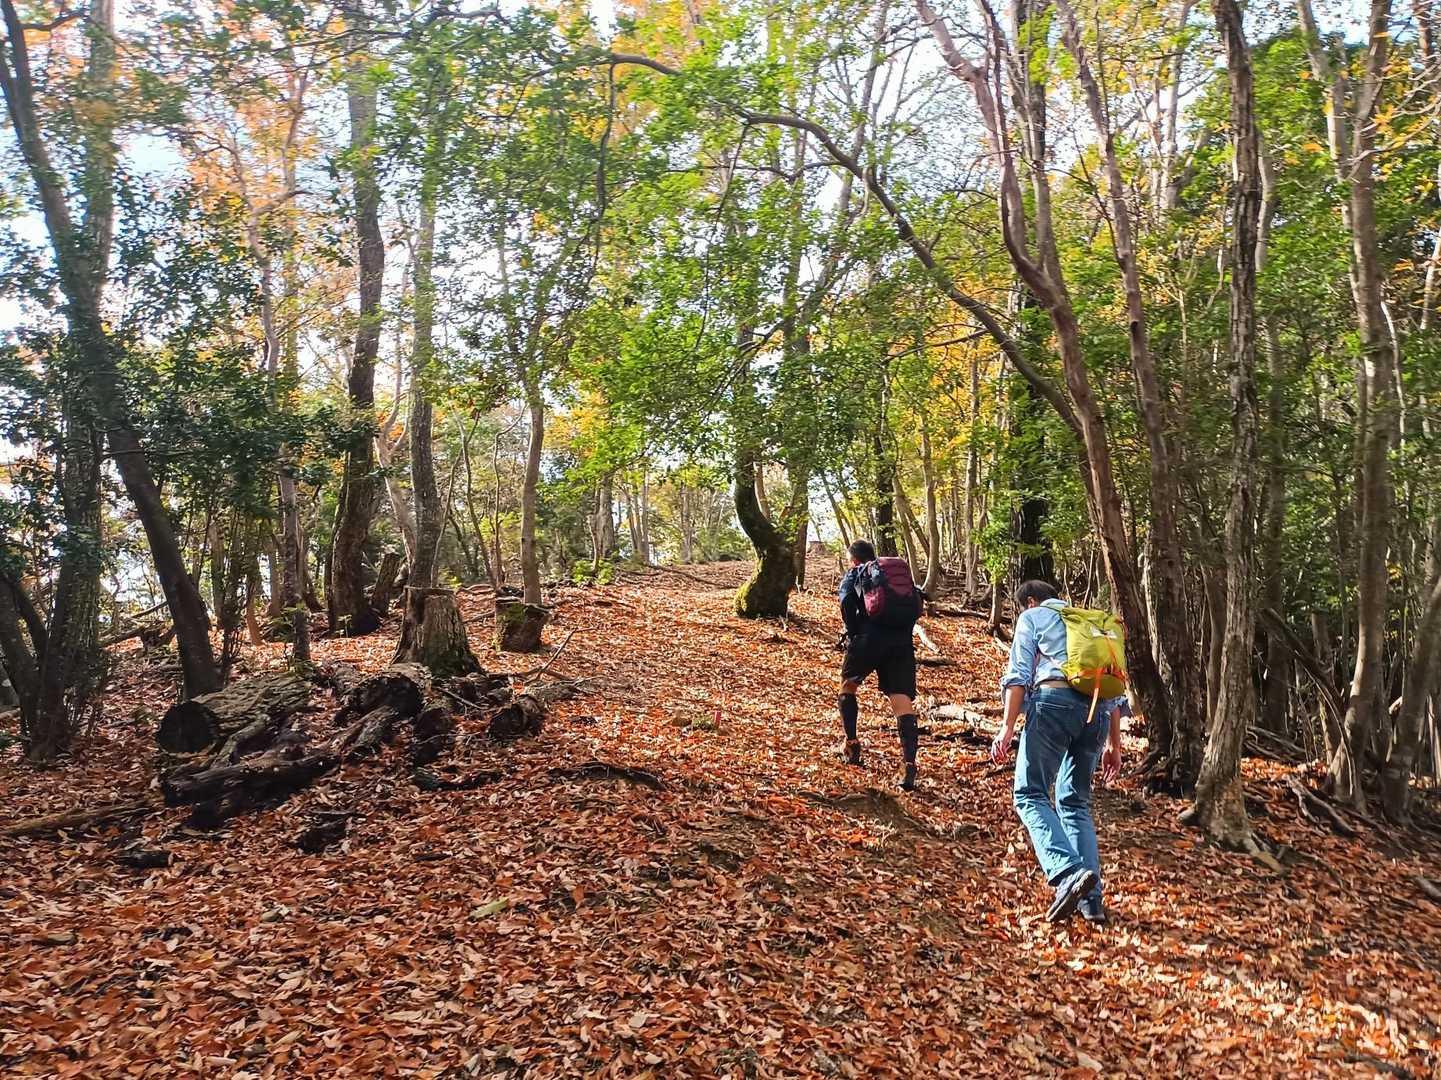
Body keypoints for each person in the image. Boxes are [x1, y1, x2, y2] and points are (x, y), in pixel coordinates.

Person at [990, 580, 1124, 924]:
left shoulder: (1033, 617)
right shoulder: (1089, 624)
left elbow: (1018, 675)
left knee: (1029, 794)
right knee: (1075, 803)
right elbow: (1113, 693)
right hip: (1097, 713)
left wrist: (1006, 727)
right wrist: (1115, 744)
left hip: (1053, 704)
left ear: (1030, 601)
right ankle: (1091, 902)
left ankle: (1067, 873)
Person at [836, 539, 922, 791]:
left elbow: (845, 602)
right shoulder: (892, 577)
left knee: (848, 686)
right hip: (901, 642)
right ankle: (909, 764)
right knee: (901, 700)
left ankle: (852, 744)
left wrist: (854, 632)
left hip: (868, 638)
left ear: (854, 560)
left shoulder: (856, 573)